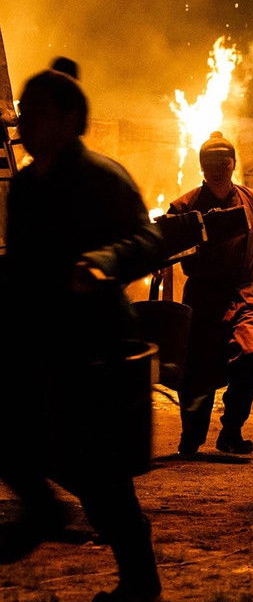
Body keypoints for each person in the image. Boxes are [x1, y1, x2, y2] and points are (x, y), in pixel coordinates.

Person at [1, 67, 167, 600]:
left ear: (71, 119)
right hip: (37, 342)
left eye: (36, 112)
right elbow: (21, 265)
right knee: (14, 441)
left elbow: (149, 240)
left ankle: (139, 582)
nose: (23, 123)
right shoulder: (25, 186)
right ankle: (43, 511)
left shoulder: (101, 177)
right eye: (23, 112)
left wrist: (104, 261)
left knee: (99, 476)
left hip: (96, 344)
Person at [165, 131, 253, 456]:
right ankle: (192, 437)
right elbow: (164, 249)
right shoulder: (184, 206)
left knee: (252, 354)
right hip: (201, 299)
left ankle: (231, 431)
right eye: (211, 163)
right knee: (198, 370)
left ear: (233, 164)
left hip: (243, 294)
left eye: (224, 163)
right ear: (202, 166)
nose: (218, 169)